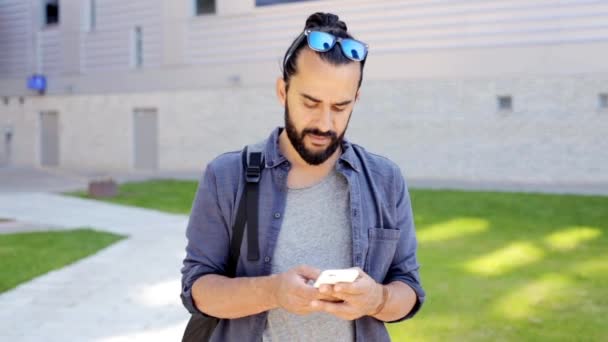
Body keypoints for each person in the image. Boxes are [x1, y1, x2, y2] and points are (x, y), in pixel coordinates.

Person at [181, 12, 425, 342]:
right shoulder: (227, 176)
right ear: (283, 91)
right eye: (310, 102)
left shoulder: (385, 179)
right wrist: (273, 291)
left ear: (356, 100)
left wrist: (376, 299)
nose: (324, 123)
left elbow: (408, 289)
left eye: (340, 107)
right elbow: (197, 290)